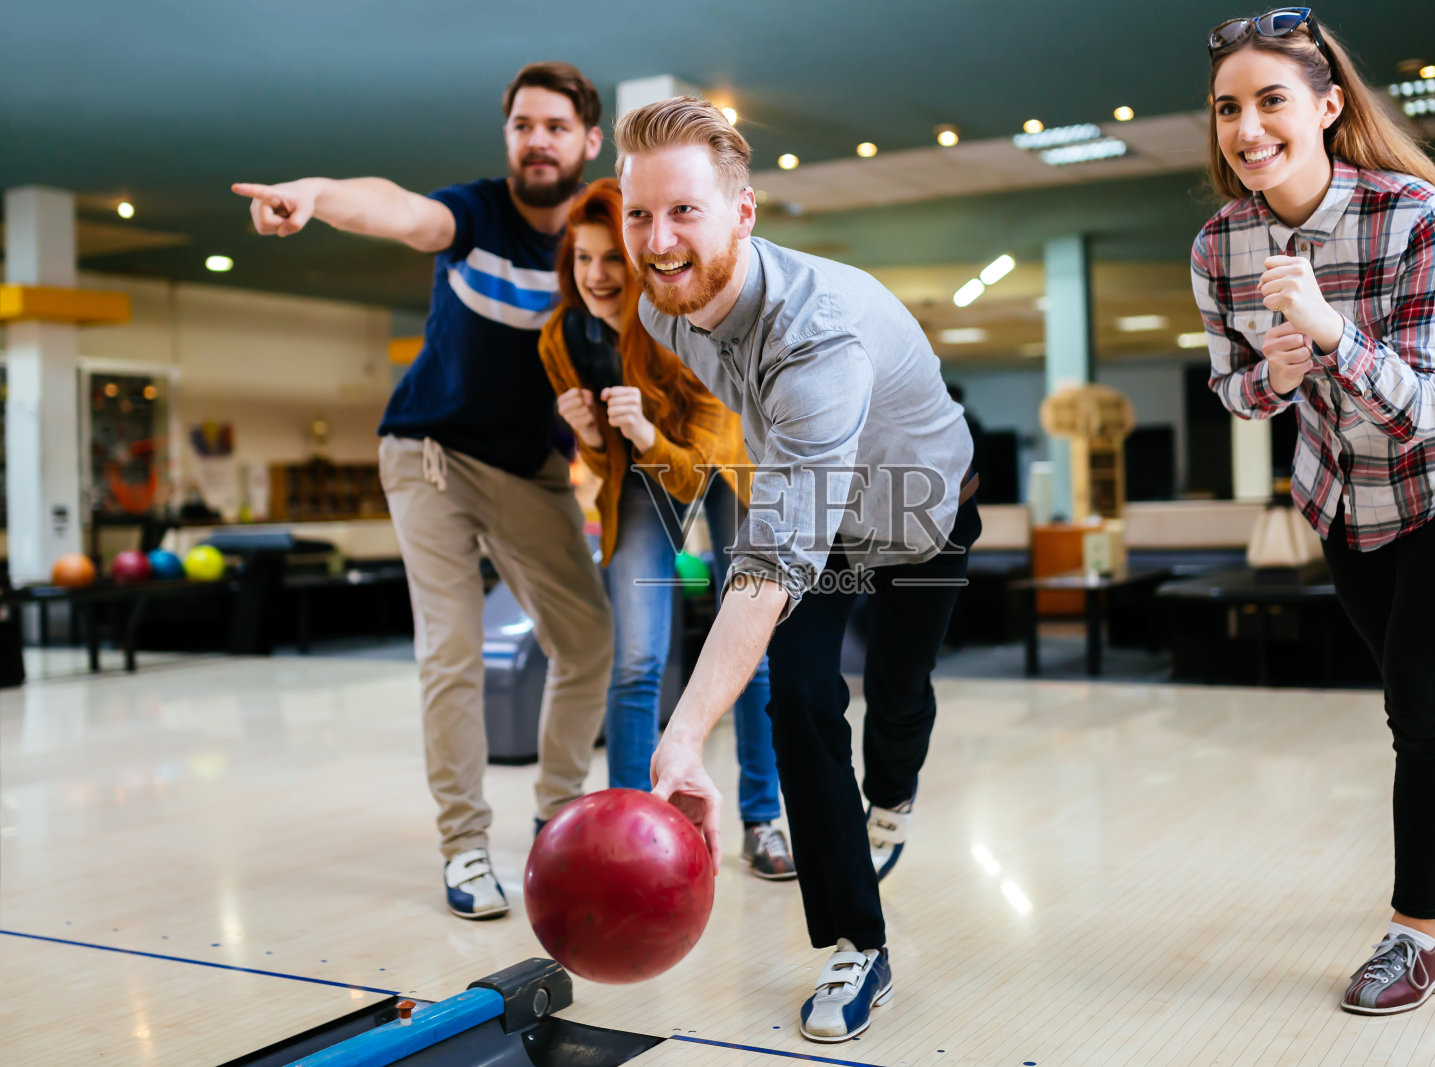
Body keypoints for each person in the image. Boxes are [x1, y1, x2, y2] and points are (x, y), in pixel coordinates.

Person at [614, 97, 977, 1043]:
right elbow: (783, 529)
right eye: (639, 214)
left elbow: (768, 564)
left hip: (917, 511)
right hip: (821, 513)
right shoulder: (667, 302)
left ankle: (890, 802)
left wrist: (685, 732)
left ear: (744, 211)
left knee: (900, 692)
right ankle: (859, 945)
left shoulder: (822, 337)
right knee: (800, 693)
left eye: (684, 211)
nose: (658, 242)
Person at [1192, 10, 1435, 1016]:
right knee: (1422, 683)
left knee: (1417, 698)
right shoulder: (1219, 245)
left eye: (1270, 101)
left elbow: (1429, 400)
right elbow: (1230, 392)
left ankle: (1411, 934)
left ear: (1328, 106)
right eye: (1226, 108)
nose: (1246, 128)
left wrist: (1332, 336)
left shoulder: (1410, 214)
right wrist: (1273, 373)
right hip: (1341, 489)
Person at [231, 62, 614, 922]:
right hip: (428, 453)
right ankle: (466, 845)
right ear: (507, 137)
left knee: (589, 640)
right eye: (522, 125)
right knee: (454, 647)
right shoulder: (474, 215)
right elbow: (398, 208)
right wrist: (319, 193)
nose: (537, 140)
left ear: (589, 141)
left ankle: (556, 818)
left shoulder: (595, 240)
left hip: (528, 465)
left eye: (556, 126)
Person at [537, 178, 795, 880]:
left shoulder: (687, 319)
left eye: (611, 258)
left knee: (750, 653)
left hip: (725, 468)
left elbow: (698, 466)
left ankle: (762, 816)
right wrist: (592, 435)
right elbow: (608, 463)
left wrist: (646, 431)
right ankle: (628, 826)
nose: (596, 275)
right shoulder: (562, 335)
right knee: (637, 660)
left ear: (637, 256)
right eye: (583, 258)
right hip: (640, 479)